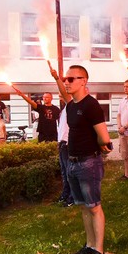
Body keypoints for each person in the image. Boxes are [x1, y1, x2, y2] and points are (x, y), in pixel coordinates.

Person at [61, 65, 112, 254]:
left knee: (94, 207)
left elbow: (105, 137)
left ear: (84, 81)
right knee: (83, 206)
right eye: (66, 78)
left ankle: (98, 251)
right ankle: (90, 245)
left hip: (88, 162)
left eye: (72, 79)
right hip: (72, 162)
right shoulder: (71, 106)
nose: (67, 82)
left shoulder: (91, 105)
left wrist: (102, 145)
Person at [50, 69, 74, 207]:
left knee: (70, 172)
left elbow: (65, 94)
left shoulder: (72, 104)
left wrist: (56, 78)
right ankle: (65, 194)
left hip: (68, 144)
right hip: (62, 143)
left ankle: (72, 197)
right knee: (64, 172)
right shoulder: (65, 108)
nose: (64, 89)